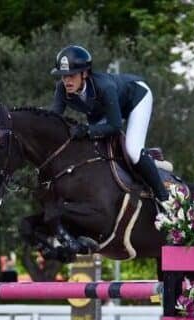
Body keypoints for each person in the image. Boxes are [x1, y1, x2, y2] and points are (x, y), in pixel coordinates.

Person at [49, 45, 169, 202]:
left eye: (71, 75)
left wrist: (86, 130)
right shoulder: (62, 89)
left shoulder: (104, 87)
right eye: (63, 76)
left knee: (133, 150)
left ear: (84, 73)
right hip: (104, 109)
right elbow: (53, 119)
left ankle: (164, 198)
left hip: (136, 98)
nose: (67, 80)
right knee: (94, 148)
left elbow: (115, 126)